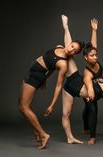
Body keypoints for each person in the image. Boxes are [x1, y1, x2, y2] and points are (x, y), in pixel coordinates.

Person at [59, 15, 103, 145]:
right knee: (68, 113)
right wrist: (66, 26)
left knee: (92, 106)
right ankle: (71, 137)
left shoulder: (93, 57)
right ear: (86, 58)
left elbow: (93, 45)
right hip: (70, 87)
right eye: (92, 56)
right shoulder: (87, 72)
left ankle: (89, 132)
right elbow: (90, 85)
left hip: (78, 81)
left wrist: (94, 30)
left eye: (96, 55)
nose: (95, 57)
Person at [18, 18, 84, 149]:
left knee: (24, 107)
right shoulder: (59, 46)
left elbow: (59, 85)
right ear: (69, 44)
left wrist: (52, 105)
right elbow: (49, 67)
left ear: (74, 54)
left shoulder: (63, 64)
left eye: (75, 51)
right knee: (21, 104)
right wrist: (65, 25)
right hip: (33, 74)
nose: (71, 50)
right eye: (72, 46)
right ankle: (37, 133)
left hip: (35, 77)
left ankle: (43, 134)